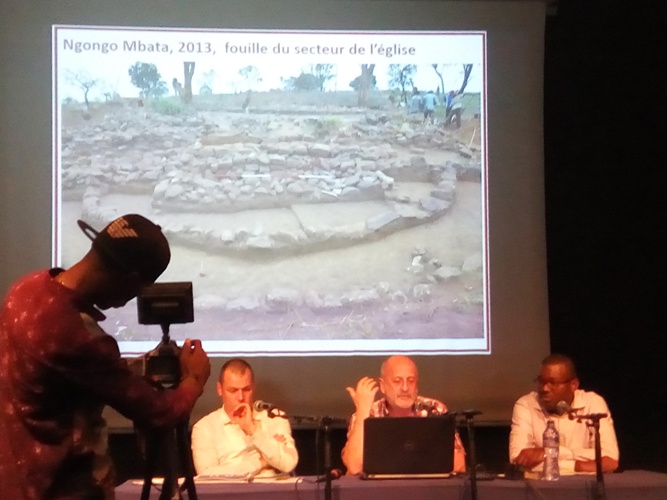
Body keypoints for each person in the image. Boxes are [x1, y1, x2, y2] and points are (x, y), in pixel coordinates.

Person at [0, 213, 211, 499]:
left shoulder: (25, 290)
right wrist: (193, 380)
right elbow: (159, 413)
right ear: (130, 279)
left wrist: (128, 369)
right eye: (139, 289)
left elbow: (60, 377)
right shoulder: (79, 336)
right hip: (60, 489)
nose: (132, 299)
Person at [341, 355, 466, 475]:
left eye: (411, 381)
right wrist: (363, 411)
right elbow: (354, 467)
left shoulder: (433, 409)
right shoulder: (369, 413)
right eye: (397, 381)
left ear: (417, 385)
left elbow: (459, 465)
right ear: (382, 386)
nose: (405, 388)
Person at [509, 354, 619, 474]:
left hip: (585, 487)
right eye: (541, 381)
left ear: (573, 385)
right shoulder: (526, 405)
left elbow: (610, 461)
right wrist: (582, 464)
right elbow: (518, 459)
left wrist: (548, 453)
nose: (545, 388)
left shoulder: (593, 403)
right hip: (542, 488)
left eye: (552, 383)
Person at [191, 358, 298, 477]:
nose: (241, 397)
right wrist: (262, 462)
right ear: (220, 389)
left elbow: (288, 463)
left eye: (247, 390)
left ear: (253, 387)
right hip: (231, 493)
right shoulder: (204, 428)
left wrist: (252, 430)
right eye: (233, 391)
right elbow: (206, 475)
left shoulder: (274, 416)